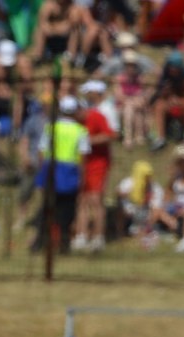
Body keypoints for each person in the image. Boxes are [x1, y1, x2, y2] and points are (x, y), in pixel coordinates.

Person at [30, 94, 89, 253]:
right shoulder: (80, 130)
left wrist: (42, 173)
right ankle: (64, 244)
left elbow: (41, 151)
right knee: (67, 211)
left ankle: (39, 242)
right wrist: (82, 178)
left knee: (47, 208)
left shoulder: (51, 127)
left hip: (51, 169)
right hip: (70, 172)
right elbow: (83, 157)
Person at [73, 80, 114, 253]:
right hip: (81, 164)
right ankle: (81, 236)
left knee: (96, 200)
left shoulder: (97, 116)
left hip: (98, 163)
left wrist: (89, 141)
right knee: (82, 200)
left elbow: (109, 135)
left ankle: (98, 237)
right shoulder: (74, 122)